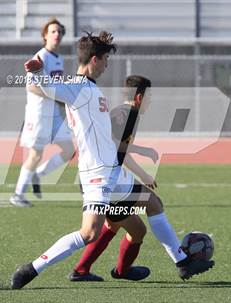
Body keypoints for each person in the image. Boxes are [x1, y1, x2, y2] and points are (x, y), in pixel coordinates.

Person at [11, 32, 213, 290]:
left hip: (113, 172)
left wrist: (137, 152)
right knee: (89, 233)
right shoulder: (78, 87)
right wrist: (34, 73)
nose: (107, 64)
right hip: (97, 173)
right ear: (94, 59)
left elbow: (107, 138)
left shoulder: (89, 88)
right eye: (105, 59)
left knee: (152, 205)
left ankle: (181, 262)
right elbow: (34, 86)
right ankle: (31, 269)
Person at [68, 75, 158, 282]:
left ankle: (82, 269)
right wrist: (143, 172)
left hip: (102, 179)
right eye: (149, 96)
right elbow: (117, 148)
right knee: (138, 230)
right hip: (105, 180)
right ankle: (122, 271)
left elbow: (115, 146)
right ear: (139, 97)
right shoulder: (126, 115)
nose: (151, 101)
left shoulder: (125, 112)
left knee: (113, 225)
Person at [10, 18, 75, 207]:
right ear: (45, 35)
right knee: (35, 155)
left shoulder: (58, 58)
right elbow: (31, 87)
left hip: (53, 112)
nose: (57, 35)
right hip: (38, 114)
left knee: (70, 150)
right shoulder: (41, 57)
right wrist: (55, 97)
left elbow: (55, 85)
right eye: (53, 31)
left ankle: (38, 175)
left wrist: (63, 100)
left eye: (60, 32)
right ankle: (17, 194)